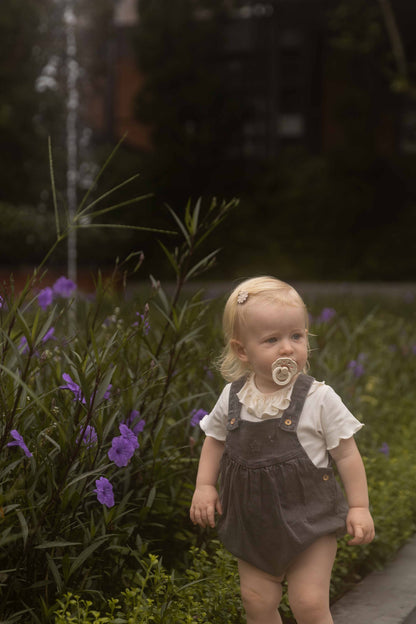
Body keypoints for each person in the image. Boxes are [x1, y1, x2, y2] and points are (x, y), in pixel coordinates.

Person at [190, 276, 375, 624]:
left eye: (296, 336)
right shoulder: (233, 397)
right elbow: (214, 440)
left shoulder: (319, 398)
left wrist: (360, 506)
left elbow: (347, 454)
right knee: (257, 602)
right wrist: (205, 485)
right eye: (272, 340)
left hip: (310, 522)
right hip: (253, 523)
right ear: (242, 350)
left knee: (308, 603)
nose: (288, 348)